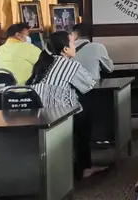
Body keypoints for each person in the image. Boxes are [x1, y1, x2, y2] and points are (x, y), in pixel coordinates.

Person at [27, 31, 104, 180]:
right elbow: (88, 85)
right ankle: (84, 166)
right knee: (85, 110)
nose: (75, 47)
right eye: (73, 44)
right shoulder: (70, 65)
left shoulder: (42, 63)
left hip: (39, 114)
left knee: (81, 106)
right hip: (60, 114)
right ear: (65, 49)